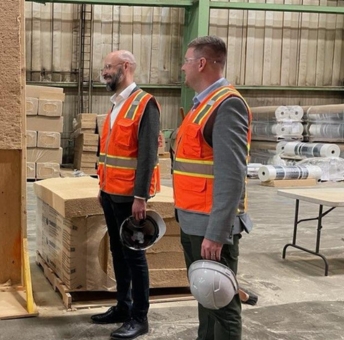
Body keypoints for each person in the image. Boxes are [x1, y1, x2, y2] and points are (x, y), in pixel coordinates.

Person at [173, 35, 253, 339]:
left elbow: (232, 176)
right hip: (194, 220)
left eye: (187, 61)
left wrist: (217, 234)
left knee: (222, 301)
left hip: (210, 227)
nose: (183, 68)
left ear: (202, 63)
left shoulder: (226, 105)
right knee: (206, 296)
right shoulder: (201, 105)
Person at [92, 50, 161, 340]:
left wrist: (141, 197)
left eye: (109, 67)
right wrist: (102, 185)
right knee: (118, 253)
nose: (105, 72)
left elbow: (147, 155)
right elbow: (109, 152)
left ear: (127, 67)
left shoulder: (145, 104)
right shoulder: (116, 105)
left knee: (134, 256)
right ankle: (123, 306)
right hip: (110, 193)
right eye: (104, 67)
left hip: (130, 197)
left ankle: (139, 317)